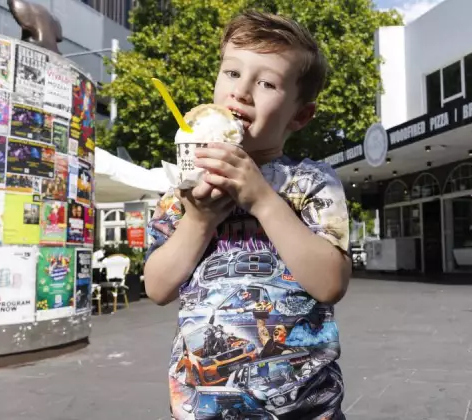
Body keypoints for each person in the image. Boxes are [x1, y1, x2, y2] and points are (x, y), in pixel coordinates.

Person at [145, 10, 351, 420]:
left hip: (301, 405)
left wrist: (261, 199)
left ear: (300, 115)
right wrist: (198, 221)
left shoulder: (310, 182)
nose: (241, 92)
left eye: (267, 83)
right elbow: (157, 287)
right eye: (232, 73)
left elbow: (330, 283)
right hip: (202, 405)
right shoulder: (182, 192)